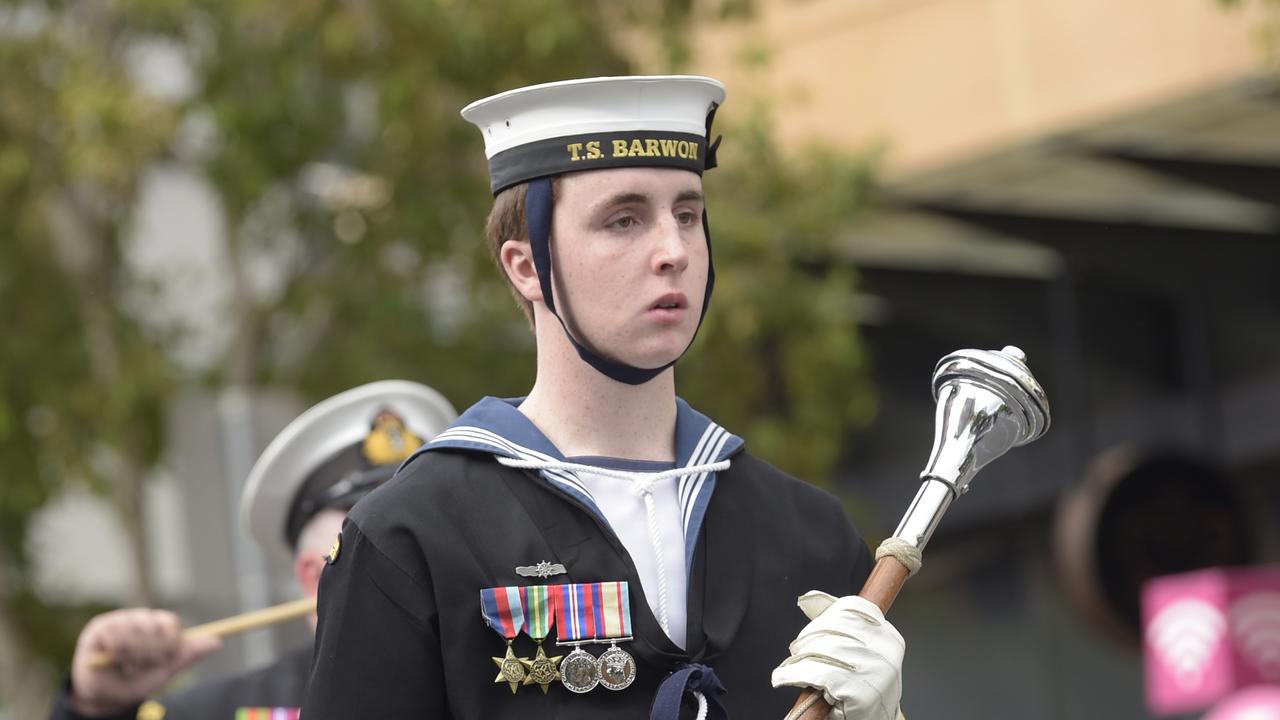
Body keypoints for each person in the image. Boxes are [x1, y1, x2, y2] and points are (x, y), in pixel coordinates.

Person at [303, 76, 905, 720]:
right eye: (624, 220)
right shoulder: (412, 534)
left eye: (688, 214)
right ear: (526, 264)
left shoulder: (808, 532)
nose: (673, 251)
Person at [48, 380, 457, 720]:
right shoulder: (220, 713)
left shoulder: (508, 682)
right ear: (314, 578)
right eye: (385, 547)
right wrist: (93, 708)